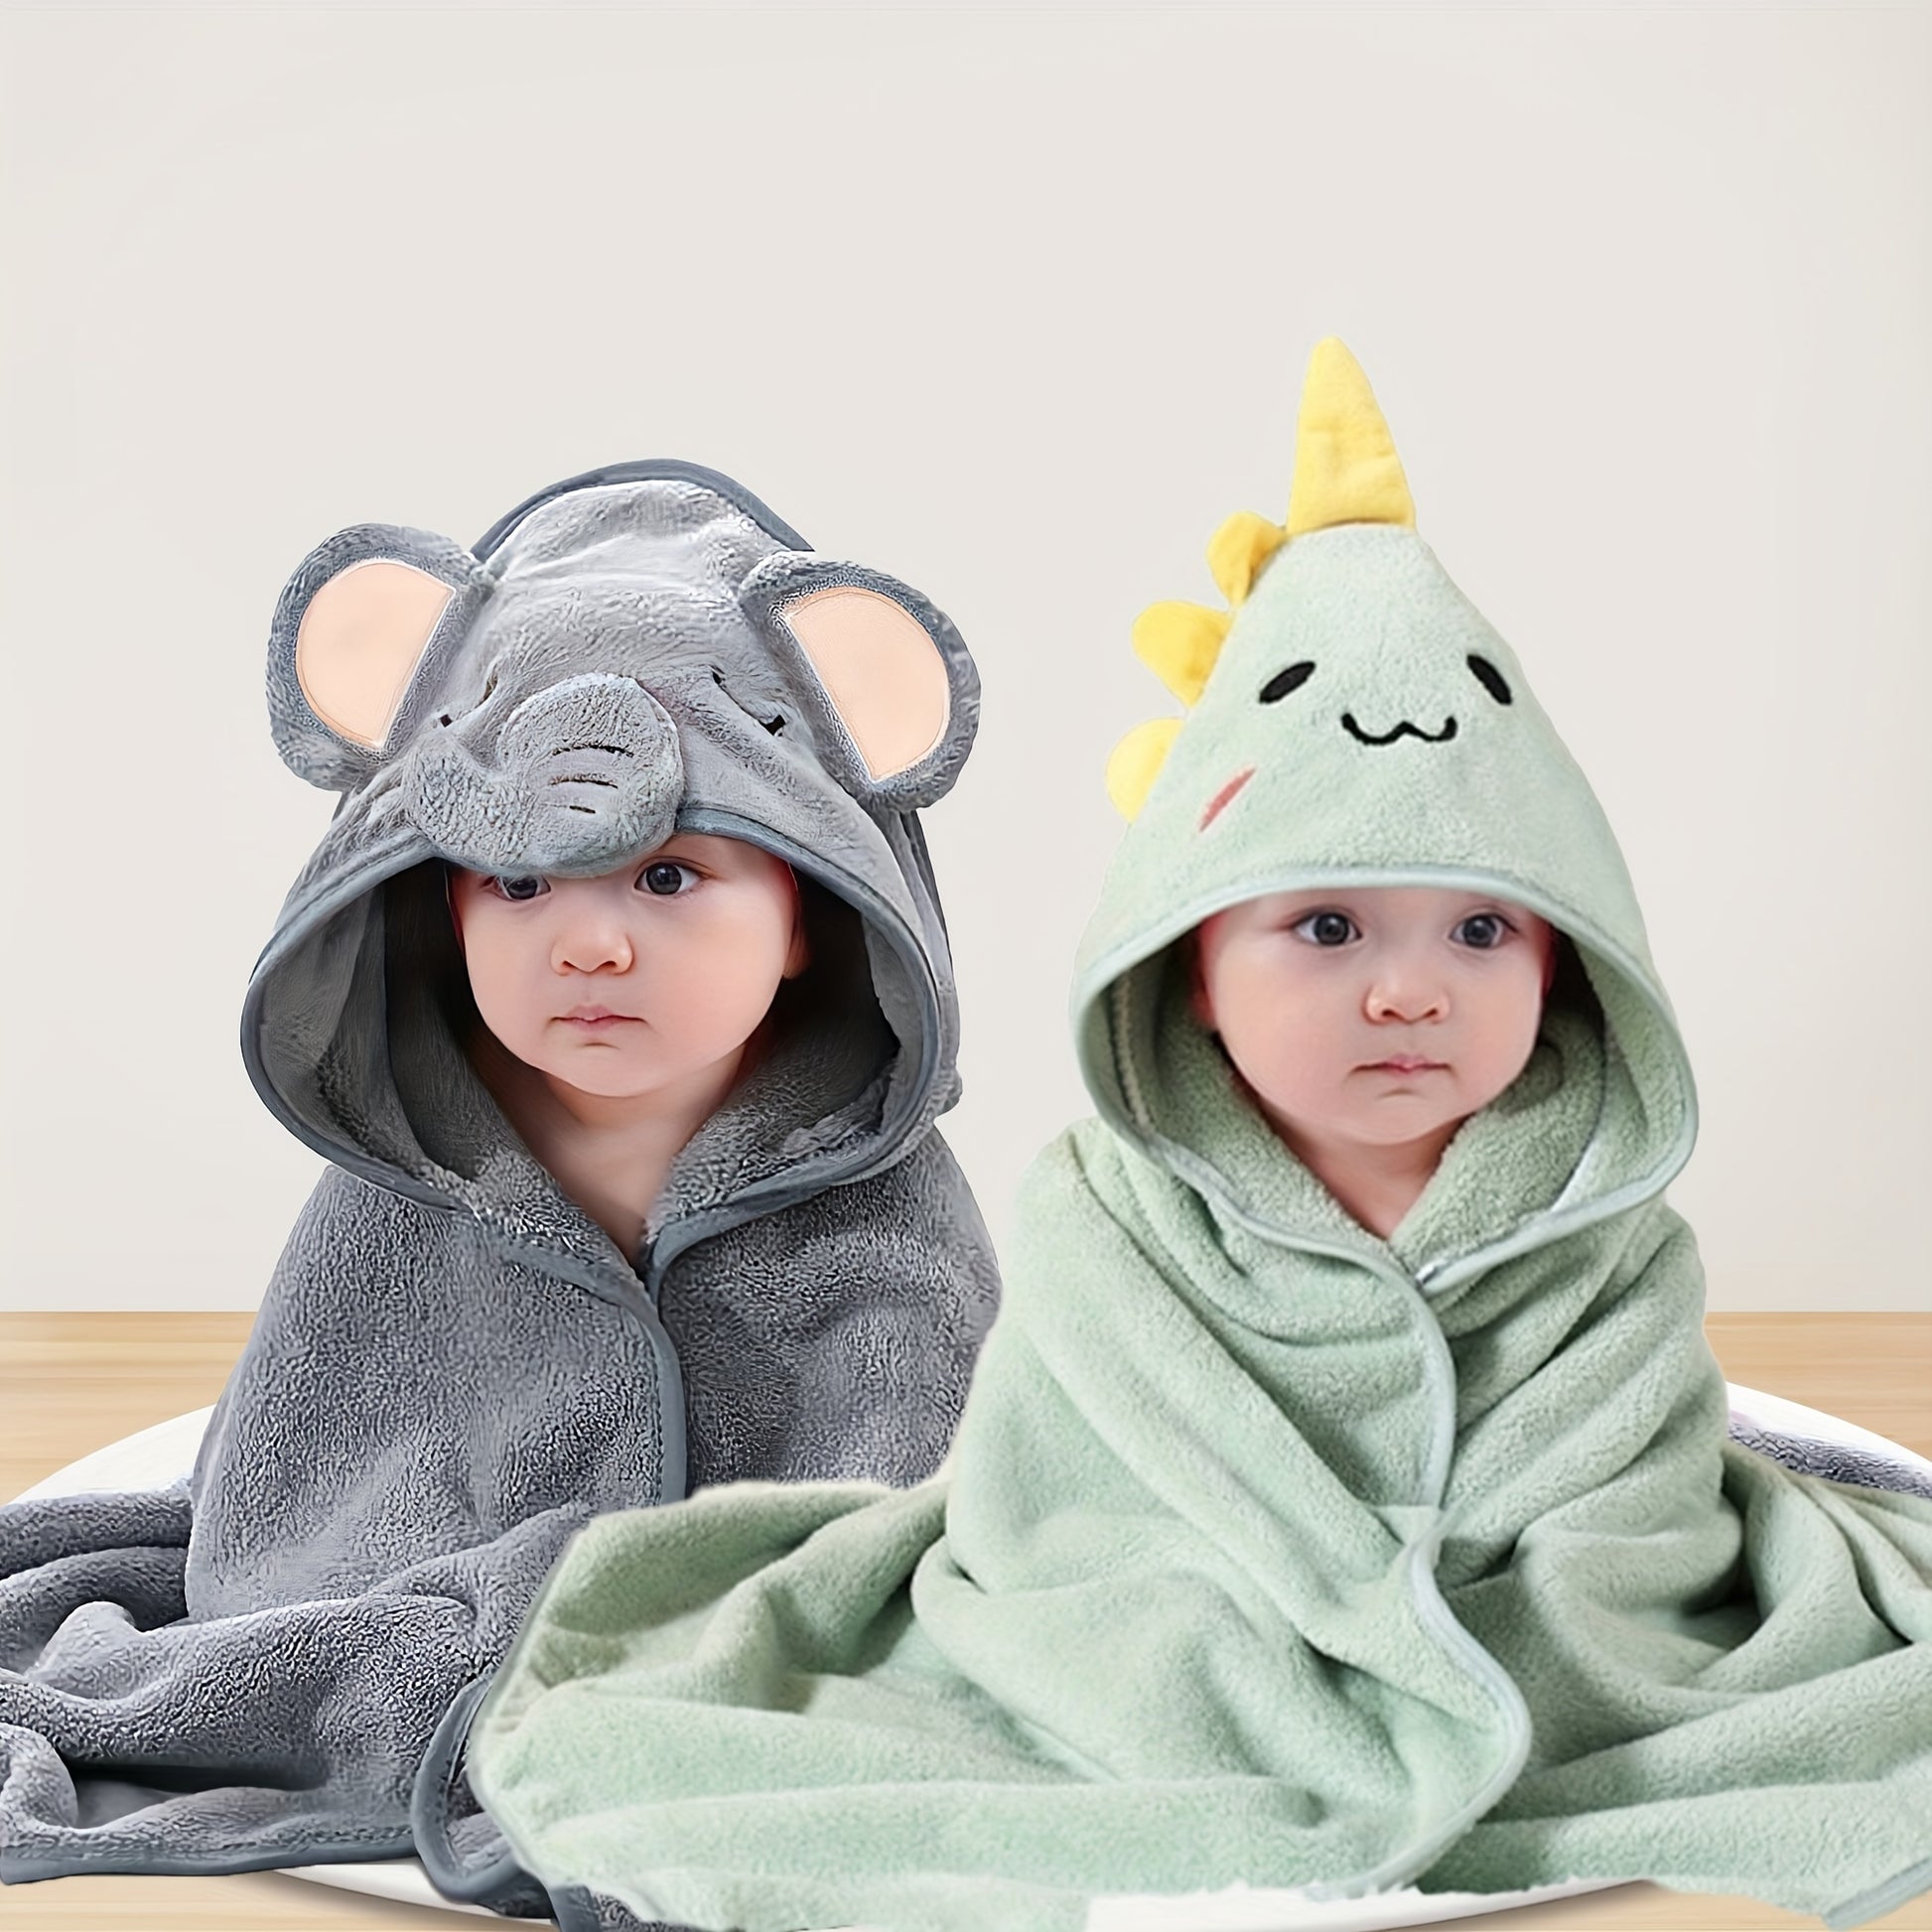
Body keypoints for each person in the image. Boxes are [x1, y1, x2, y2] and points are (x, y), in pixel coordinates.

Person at [461, 348, 1932, 1932]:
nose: (1407, 991)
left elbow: (1624, 1527)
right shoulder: (1109, 1219)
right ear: (1194, 973)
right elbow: (1065, 1519)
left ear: (1564, 961)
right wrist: (1221, 1625)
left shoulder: (1603, 1234)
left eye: (1480, 929)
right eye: (1325, 925)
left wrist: (1496, 1621)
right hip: (1177, 1614)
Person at [0, 460, 1001, 1892]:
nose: (587, 944)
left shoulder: (874, 1203)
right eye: (518, 885)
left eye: (669, 877)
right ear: (438, 903)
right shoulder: (416, 1169)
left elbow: (909, 1512)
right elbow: (312, 1469)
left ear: (807, 917)